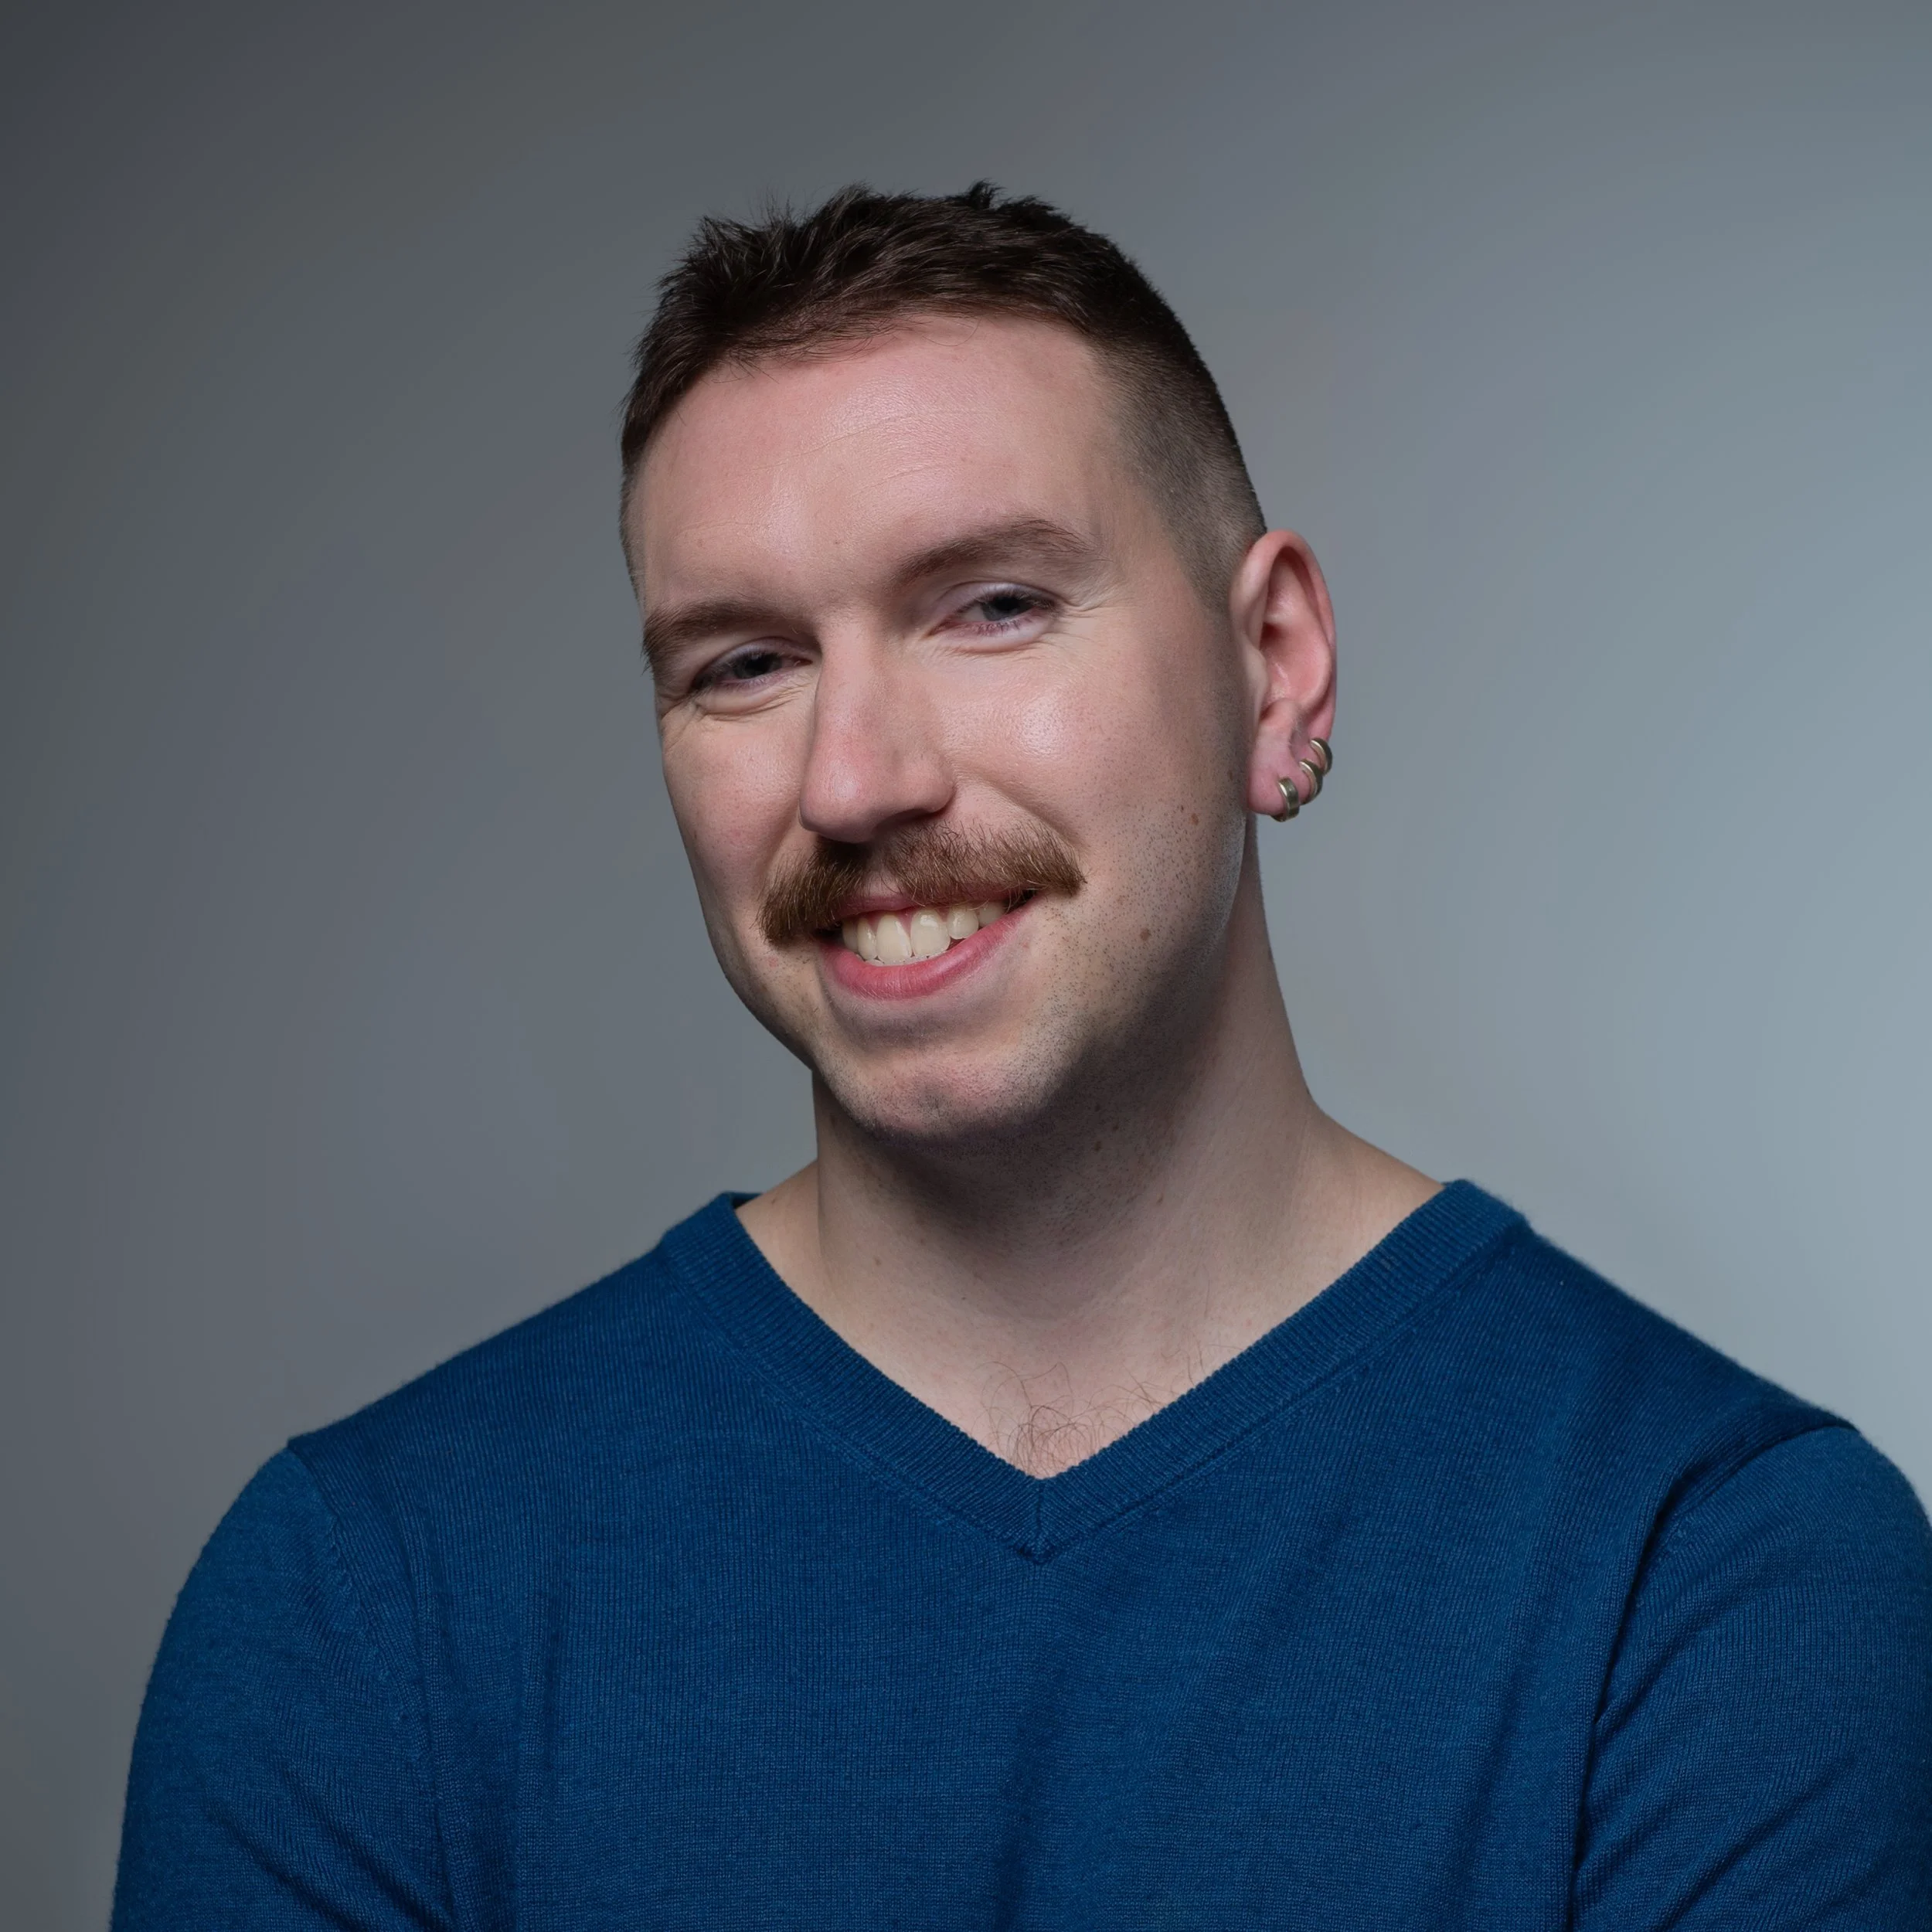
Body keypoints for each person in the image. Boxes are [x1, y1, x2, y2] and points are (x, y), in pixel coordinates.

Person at [114, 183, 1931, 1929]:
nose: (854, 778)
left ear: (1272, 664)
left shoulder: (1717, 1568)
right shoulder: (361, 1602)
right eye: (743, 663)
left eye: (989, 605)